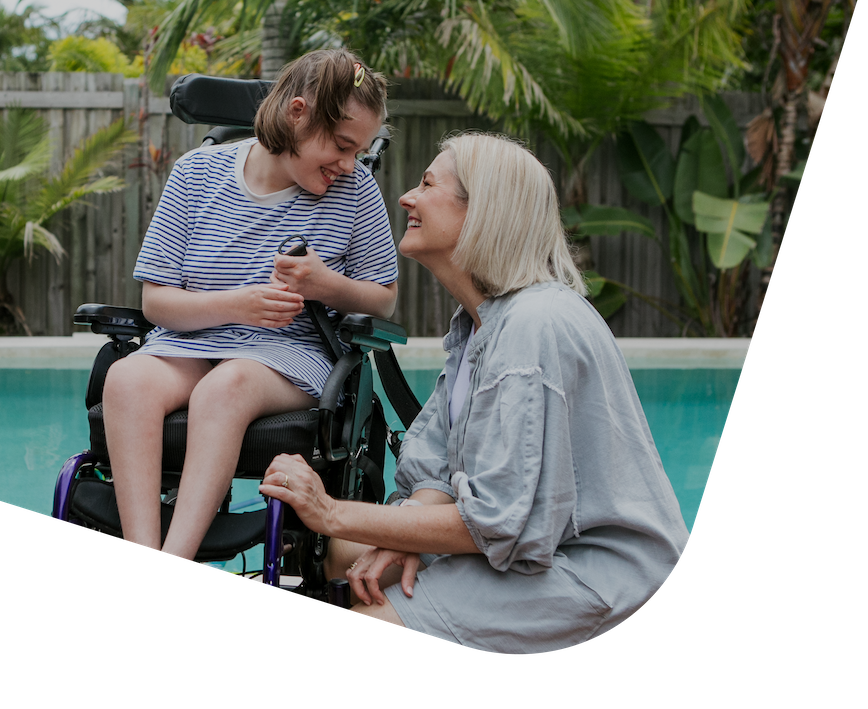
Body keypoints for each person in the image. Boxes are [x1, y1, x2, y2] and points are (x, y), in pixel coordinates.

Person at [259, 132, 691, 653]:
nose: (406, 197)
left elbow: (505, 522)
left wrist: (330, 510)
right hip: (526, 548)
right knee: (341, 555)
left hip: (590, 569)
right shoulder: (477, 327)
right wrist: (399, 536)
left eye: (426, 184)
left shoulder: (536, 324)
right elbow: (434, 469)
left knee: (363, 583)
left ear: (483, 209)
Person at [103, 49, 400, 561]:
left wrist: (326, 284)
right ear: (298, 113)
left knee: (228, 385)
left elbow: (384, 298)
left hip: (287, 357)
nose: (349, 163)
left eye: (360, 150)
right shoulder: (196, 173)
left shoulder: (356, 189)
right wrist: (238, 306)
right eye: (342, 145)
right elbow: (156, 301)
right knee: (126, 379)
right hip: (189, 343)